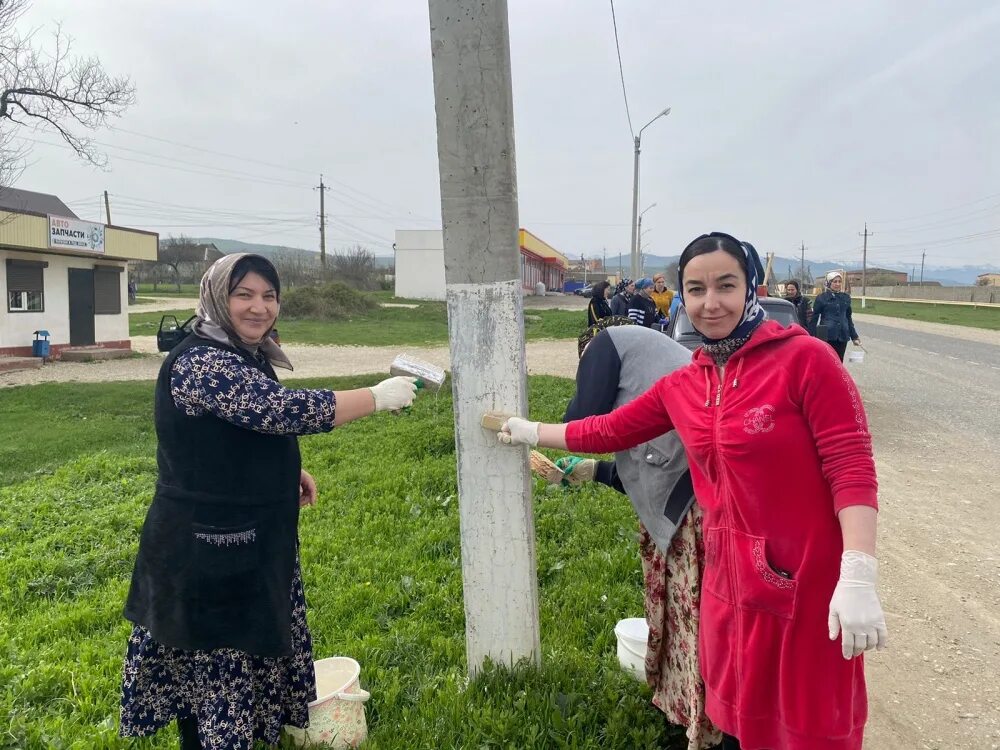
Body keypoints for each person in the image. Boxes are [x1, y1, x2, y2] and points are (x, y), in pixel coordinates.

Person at [497, 232, 887, 750]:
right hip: (729, 585)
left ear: (754, 287)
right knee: (739, 724)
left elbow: (851, 466)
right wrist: (531, 431)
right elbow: (609, 430)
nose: (711, 303)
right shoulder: (689, 382)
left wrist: (858, 574)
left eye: (726, 285)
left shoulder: (808, 362)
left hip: (808, 585)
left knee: (804, 728)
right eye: (696, 289)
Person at [119, 254, 418, 749]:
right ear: (218, 297)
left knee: (234, 671)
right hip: (205, 552)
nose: (260, 307)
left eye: (269, 295)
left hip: (244, 543)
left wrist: (283, 469)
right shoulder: (201, 361)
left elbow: (234, 430)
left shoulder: (241, 352)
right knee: (215, 672)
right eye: (244, 295)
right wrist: (376, 396)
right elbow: (274, 409)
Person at [558, 317, 720, 749]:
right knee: (687, 621)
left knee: (695, 622)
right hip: (697, 496)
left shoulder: (604, 343)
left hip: (692, 511)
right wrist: (593, 473)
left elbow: (581, 422)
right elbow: (638, 454)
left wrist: (536, 431)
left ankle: (707, 725)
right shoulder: (652, 360)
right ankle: (687, 713)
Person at [809, 271, 861, 361]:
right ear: (829, 283)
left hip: (842, 336)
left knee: (839, 362)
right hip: (827, 336)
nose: (837, 284)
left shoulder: (846, 297)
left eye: (839, 281)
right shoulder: (822, 298)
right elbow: (814, 318)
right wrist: (811, 336)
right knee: (827, 362)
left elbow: (848, 318)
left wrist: (854, 336)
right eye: (834, 281)